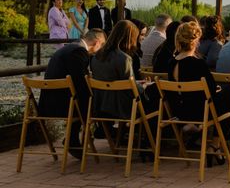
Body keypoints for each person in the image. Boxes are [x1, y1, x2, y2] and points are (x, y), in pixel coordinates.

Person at [168, 21, 230, 159]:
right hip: (199, 112)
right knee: (228, 101)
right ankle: (214, 145)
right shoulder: (198, 63)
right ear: (196, 40)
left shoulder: (171, 62)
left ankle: (190, 126)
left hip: (179, 110)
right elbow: (210, 89)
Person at [38, 29, 106, 158]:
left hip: (47, 103)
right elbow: (80, 82)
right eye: (102, 45)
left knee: (86, 98)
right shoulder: (79, 51)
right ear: (97, 43)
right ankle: (80, 137)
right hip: (63, 105)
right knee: (91, 99)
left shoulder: (70, 47)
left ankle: (74, 138)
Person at [90, 21, 157, 120]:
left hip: (100, 106)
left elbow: (118, 82)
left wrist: (137, 83)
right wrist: (143, 86)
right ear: (130, 38)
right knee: (155, 99)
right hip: (121, 108)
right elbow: (130, 90)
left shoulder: (96, 56)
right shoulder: (124, 58)